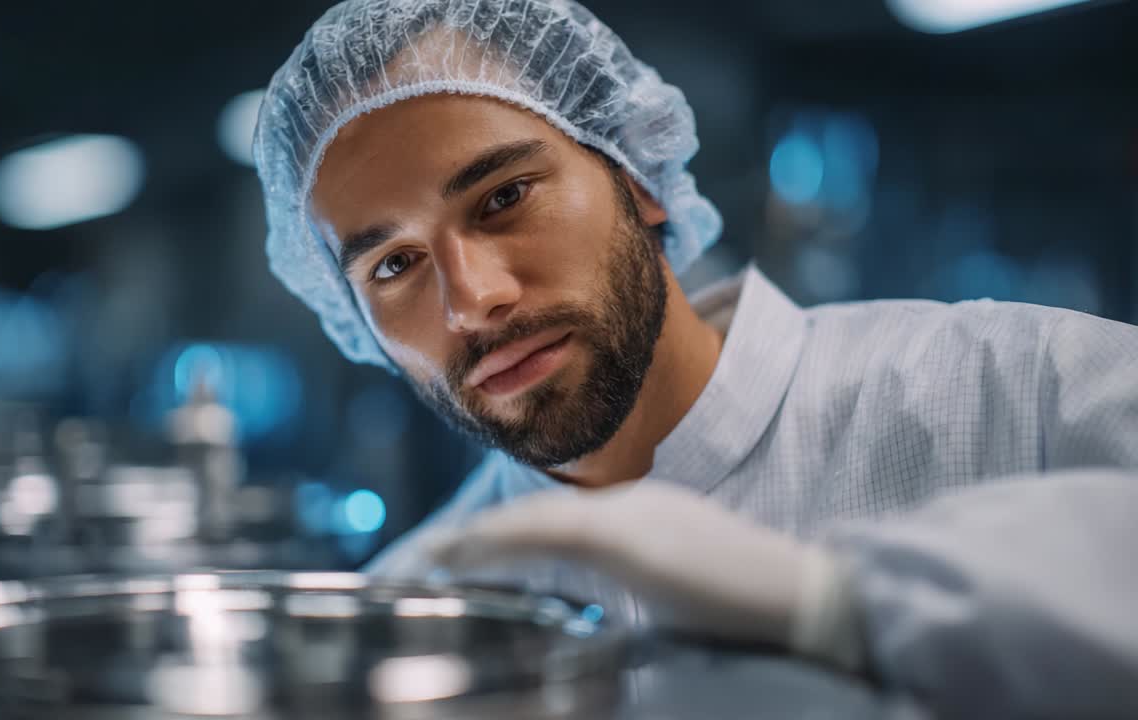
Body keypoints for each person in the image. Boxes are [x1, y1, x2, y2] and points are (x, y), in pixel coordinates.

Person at [253, 0, 1138, 715]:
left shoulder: (1020, 389)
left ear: (638, 180)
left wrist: (835, 605)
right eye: (394, 265)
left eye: (504, 197)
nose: (469, 299)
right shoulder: (423, 604)